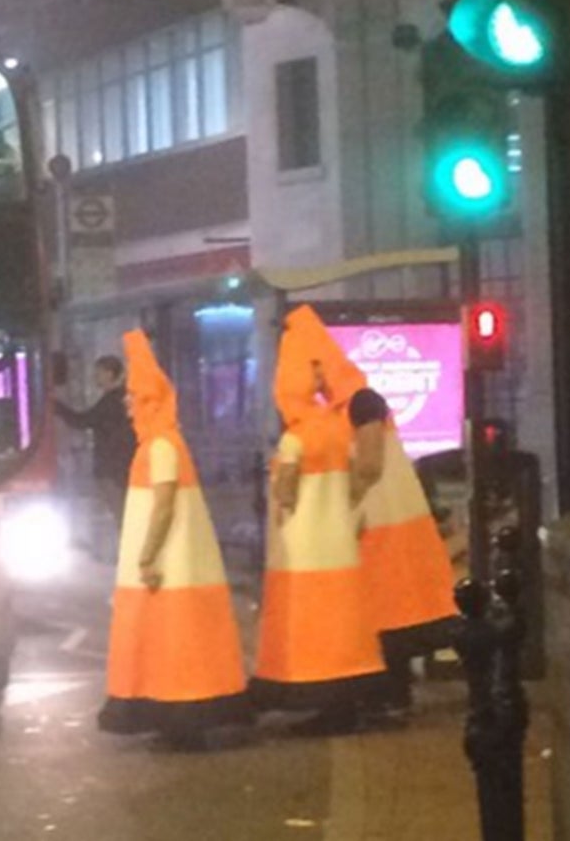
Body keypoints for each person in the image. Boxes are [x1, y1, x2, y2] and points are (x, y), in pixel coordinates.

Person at [98, 330, 249, 749]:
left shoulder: (161, 446)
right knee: (173, 644)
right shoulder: (161, 443)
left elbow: (163, 506)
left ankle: (182, 724)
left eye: (133, 396)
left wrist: (147, 557)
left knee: (173, 645)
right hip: (175, 568)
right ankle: (177, 722)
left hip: (168, 570)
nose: (127, 404)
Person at [251, 306, 387, 734]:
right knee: (343, 622)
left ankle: (318, 702)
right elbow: (364, 473)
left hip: (305, 552)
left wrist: (283, 497)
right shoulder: (338, 427)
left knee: (311, 626)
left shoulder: (296, 437)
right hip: (341, 546)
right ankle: (346, 704)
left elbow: (286, 490)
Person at [349, 387, 457, 715]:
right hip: (392, 534)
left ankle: (389, 695)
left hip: (380, 535)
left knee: (389, 621)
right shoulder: (363, 405)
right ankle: (394, 693)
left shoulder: (356, 406)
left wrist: (342, 504)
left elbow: (366, 467)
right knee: (398, 621)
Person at [55, 355, 137, 562]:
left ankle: (131, 559)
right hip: (125, 465)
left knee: (123, 516)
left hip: (111, 467)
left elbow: (83, 421)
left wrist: (56, 407)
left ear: (110, 374)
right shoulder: (126, 399)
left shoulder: (111, 401)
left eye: (98, 373)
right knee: (125, 514)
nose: (95, 377)